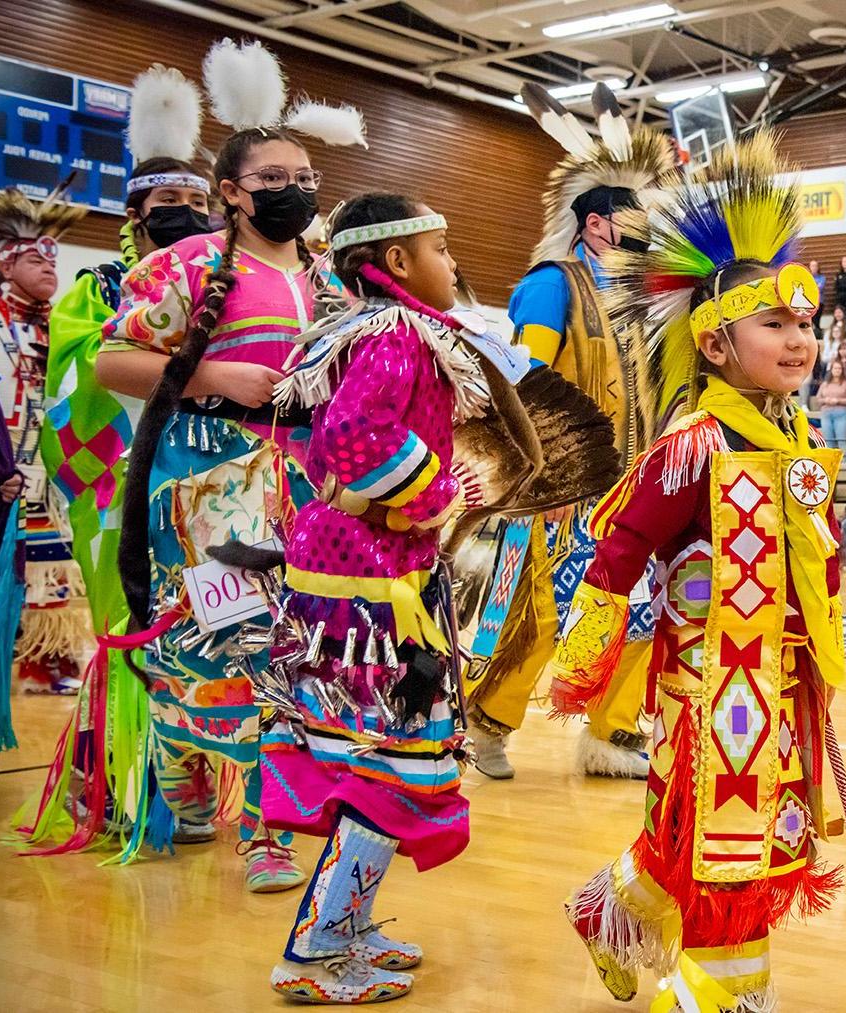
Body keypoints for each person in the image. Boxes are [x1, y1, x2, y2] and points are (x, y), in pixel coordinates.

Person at [551, 135, 846, 1009]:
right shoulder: (694, 446)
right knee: (733, 863)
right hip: (712, 693)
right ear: (716, 345)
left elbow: (821, 564)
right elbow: (615, 550)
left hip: (787, 687)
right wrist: (584, 667)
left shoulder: (802, 442)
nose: (800, 339)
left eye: (805, 323)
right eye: (775, 323)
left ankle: (607, 912)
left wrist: (821, 663)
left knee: (701, 841)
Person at [97, 38, 363, 889]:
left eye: (303, 177)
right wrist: (209, 373)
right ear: (232, 193)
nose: (292, 190)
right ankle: (182, 754)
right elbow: (113, 363)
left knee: (297, 650)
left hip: (310, 486)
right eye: (273, 179)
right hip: (208, 484)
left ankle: (267, 829)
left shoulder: (332, 285)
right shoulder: (182, 267)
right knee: (228, 646)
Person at [262, 194, 509, 1004]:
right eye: (440, 247)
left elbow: (305, 439)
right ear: (397, 260)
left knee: (364, 750)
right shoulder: (399, 334)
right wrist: (441, 493)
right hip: (372, 584)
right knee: (389, 762)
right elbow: (356, 440)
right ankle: (316, 948)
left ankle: (350, 920)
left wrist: (369, 502)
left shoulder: (342, 330)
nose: (452, 263)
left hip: (349, 568)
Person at [15, 68, 220, 849]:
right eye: (171, 206)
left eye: (199, 205)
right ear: (133, 214)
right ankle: (117, 784)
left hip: (202, 481)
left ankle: (187, 779)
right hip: (118, 486)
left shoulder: (219, 283)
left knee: (202, 630)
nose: (188, 217)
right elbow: (77, 375)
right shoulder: (97, 286)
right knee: (134, 625)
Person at [468, 83, 678, 781]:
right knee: (542, 615)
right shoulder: (552, 286)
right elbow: (523, 384)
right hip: (563, 482)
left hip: (633, 483)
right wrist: (546, 472)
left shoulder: (643, 298)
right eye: (634, 218)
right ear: (595, 225)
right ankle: (488, 721)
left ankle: (613, 733)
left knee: (642, 609)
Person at [0, 186, 89, 703]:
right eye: (35, 260)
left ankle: (45, 663)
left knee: (50, 565)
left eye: (53, 261)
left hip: (44, 462)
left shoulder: (59, 323)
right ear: (6, 266)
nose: (49, 270)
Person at [816, 358, 846, 453]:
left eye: (839, 368)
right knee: (828, 440)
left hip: (841, 413)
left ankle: (844, 463)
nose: (837, 370)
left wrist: (838, 400)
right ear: (831, 370)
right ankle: (831, 465)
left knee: (842, 439)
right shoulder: (825, 384)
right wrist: (826, 400)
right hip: (826, 413)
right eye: (835, 368)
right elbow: (818, 398)